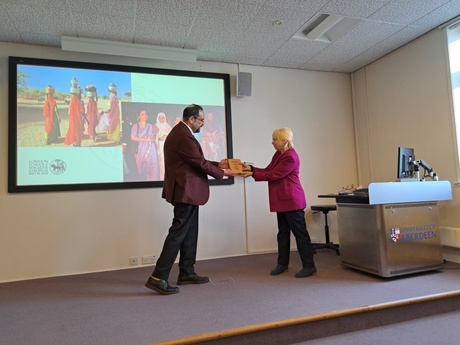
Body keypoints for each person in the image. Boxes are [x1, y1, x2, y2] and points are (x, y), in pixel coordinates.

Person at [145, 104, 236, 295]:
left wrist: (217, 165)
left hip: (189, 192)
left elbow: (195, 161)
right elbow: (198, 163)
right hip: (185, 192)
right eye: (201, 120)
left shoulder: (182, 133)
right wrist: (223, 172)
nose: (203, 124)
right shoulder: (182, 135)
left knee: (189, 232)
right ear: (191, 119)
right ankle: (157, 277)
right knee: (178, 233)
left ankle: (186, 272)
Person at [242, 128, 316, 278]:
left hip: (292, 201)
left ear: (284, 141)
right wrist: (250, 168)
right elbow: (268, 169)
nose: (272, 142)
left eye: (274, 139)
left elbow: (274, 175)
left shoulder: (290, 157)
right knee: (282, 234)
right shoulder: (279, 154)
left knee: (300, 234)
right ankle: (282, 264)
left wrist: (252, 174)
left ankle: (309, 266)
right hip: (282, 201)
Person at [131, 110, 160, 180]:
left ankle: (153, 186)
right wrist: (146, 139)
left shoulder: (151, 126)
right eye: (142, 114)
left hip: (151, 149)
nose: (144, 116)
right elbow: (132, 137)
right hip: (140, 150)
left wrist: (154, 138)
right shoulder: (136, 126)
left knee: (153, 168)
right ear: (139, 116)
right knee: (141, 169)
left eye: (145, 114)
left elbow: (156, 135)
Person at [64, 77, 84, 146]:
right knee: (78, 130)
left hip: (73, 118)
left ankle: (76, 143)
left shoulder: (72, 99)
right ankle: (77, 143)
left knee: (74, 129)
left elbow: (69, 111)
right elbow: (81, 110)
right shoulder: (76, 100)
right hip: (77, 118)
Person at [154, 112, 172, 179]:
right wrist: (159, 138)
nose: (161, 119)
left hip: (168, 149)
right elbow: (153, 138)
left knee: (166, 166)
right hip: (159, 149)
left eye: (163, 117)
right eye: (159, 117)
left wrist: (166, 136)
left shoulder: (168, 127)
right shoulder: (155, 127)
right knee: (159, 166)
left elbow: (173, 137)